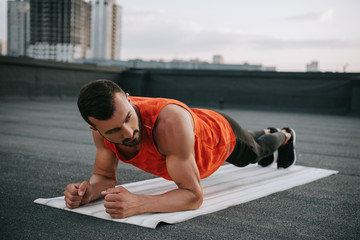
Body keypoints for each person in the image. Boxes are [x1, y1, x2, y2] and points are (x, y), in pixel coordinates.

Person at [64, 79, 296, 219]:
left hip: (219, 136)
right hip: (194, 126)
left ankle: (284, 135)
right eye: (113, 131)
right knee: (250, 139)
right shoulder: (100, 132)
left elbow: (193, 196)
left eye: (128, 118)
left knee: (253, 152)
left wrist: (139, 203)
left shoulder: (168, 124)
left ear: (128, 99)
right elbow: (104, 177)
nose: (128, 133)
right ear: (93, 128)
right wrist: (88, 193)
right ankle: (266, 131)